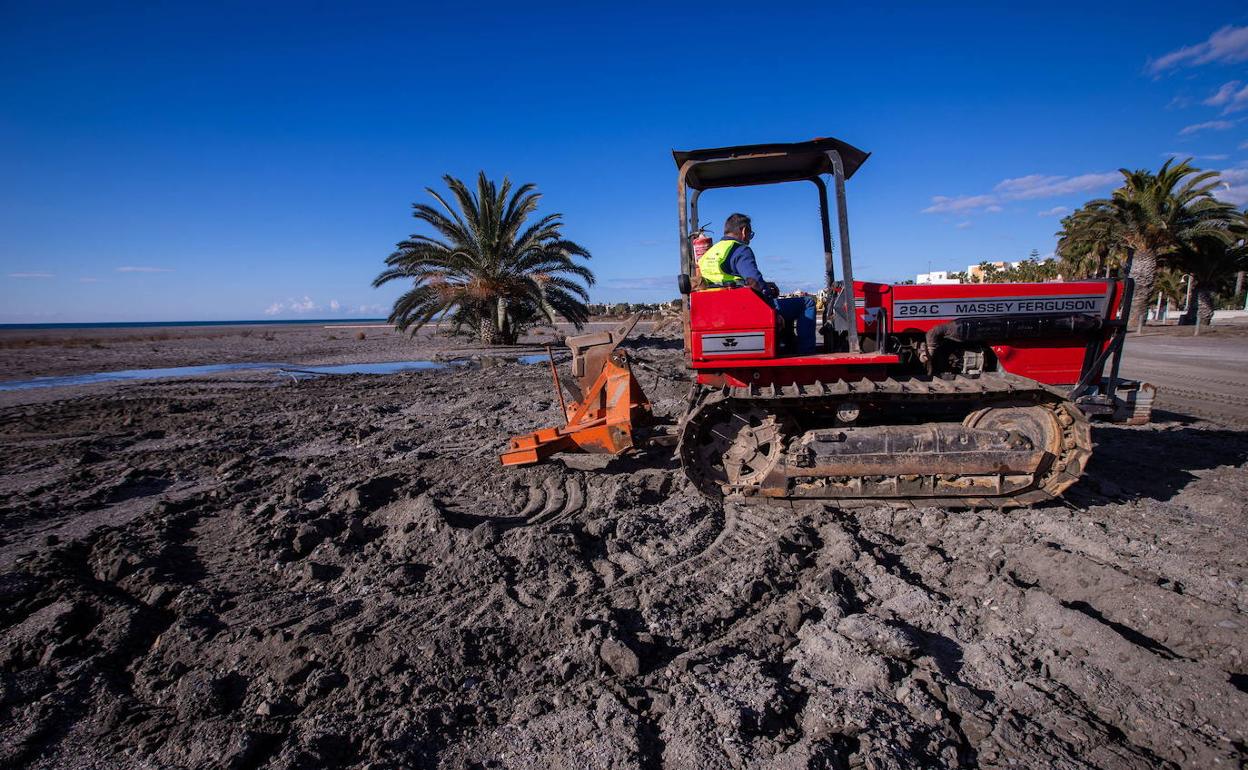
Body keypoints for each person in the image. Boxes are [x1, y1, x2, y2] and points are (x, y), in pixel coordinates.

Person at [698, 213, 817, 354]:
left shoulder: (708, 255)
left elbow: (724, 281)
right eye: (750, 234)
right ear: (744, 231)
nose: (749, 238)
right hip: (742, 309)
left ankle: (786, 343)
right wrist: (771, 308)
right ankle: (806, 351)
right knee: (807, 303)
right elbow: (754, 282)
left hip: (718, 312)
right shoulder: (739, 249)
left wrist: (765, 285)